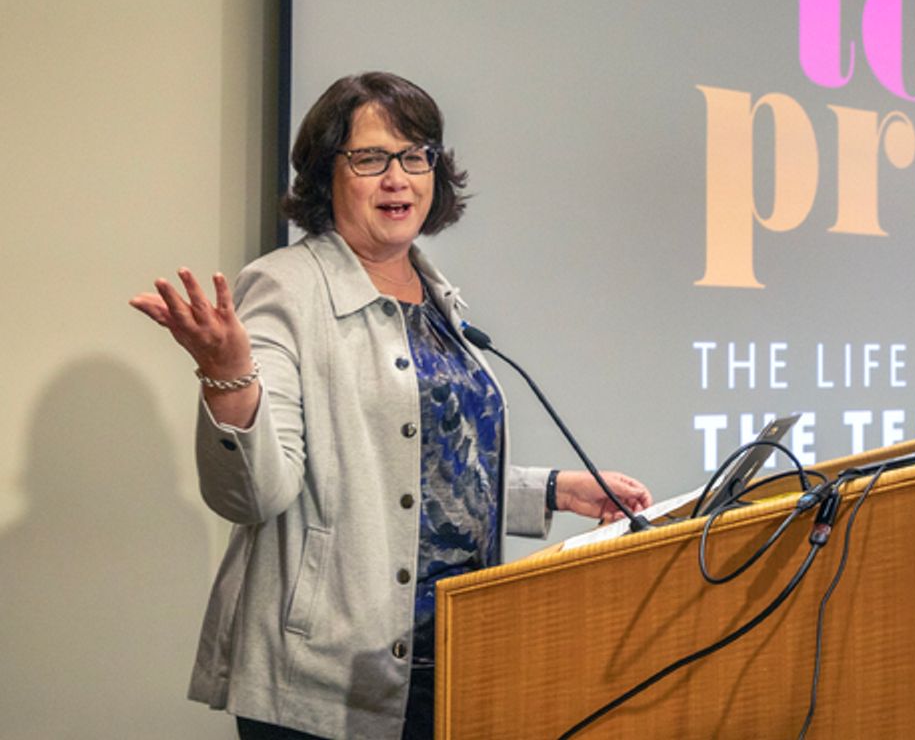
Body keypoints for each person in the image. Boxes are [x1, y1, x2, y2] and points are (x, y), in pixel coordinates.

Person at [130, 72, 651, 740]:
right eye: (370, 159)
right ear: (327, 176)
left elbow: (416, 465)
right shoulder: (286, 289)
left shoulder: (435, 295)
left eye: (414, 156)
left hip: (453, 657)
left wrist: (550, 492)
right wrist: (228, 376)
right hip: (328, 673)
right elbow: (257, 495)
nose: (398, 178)